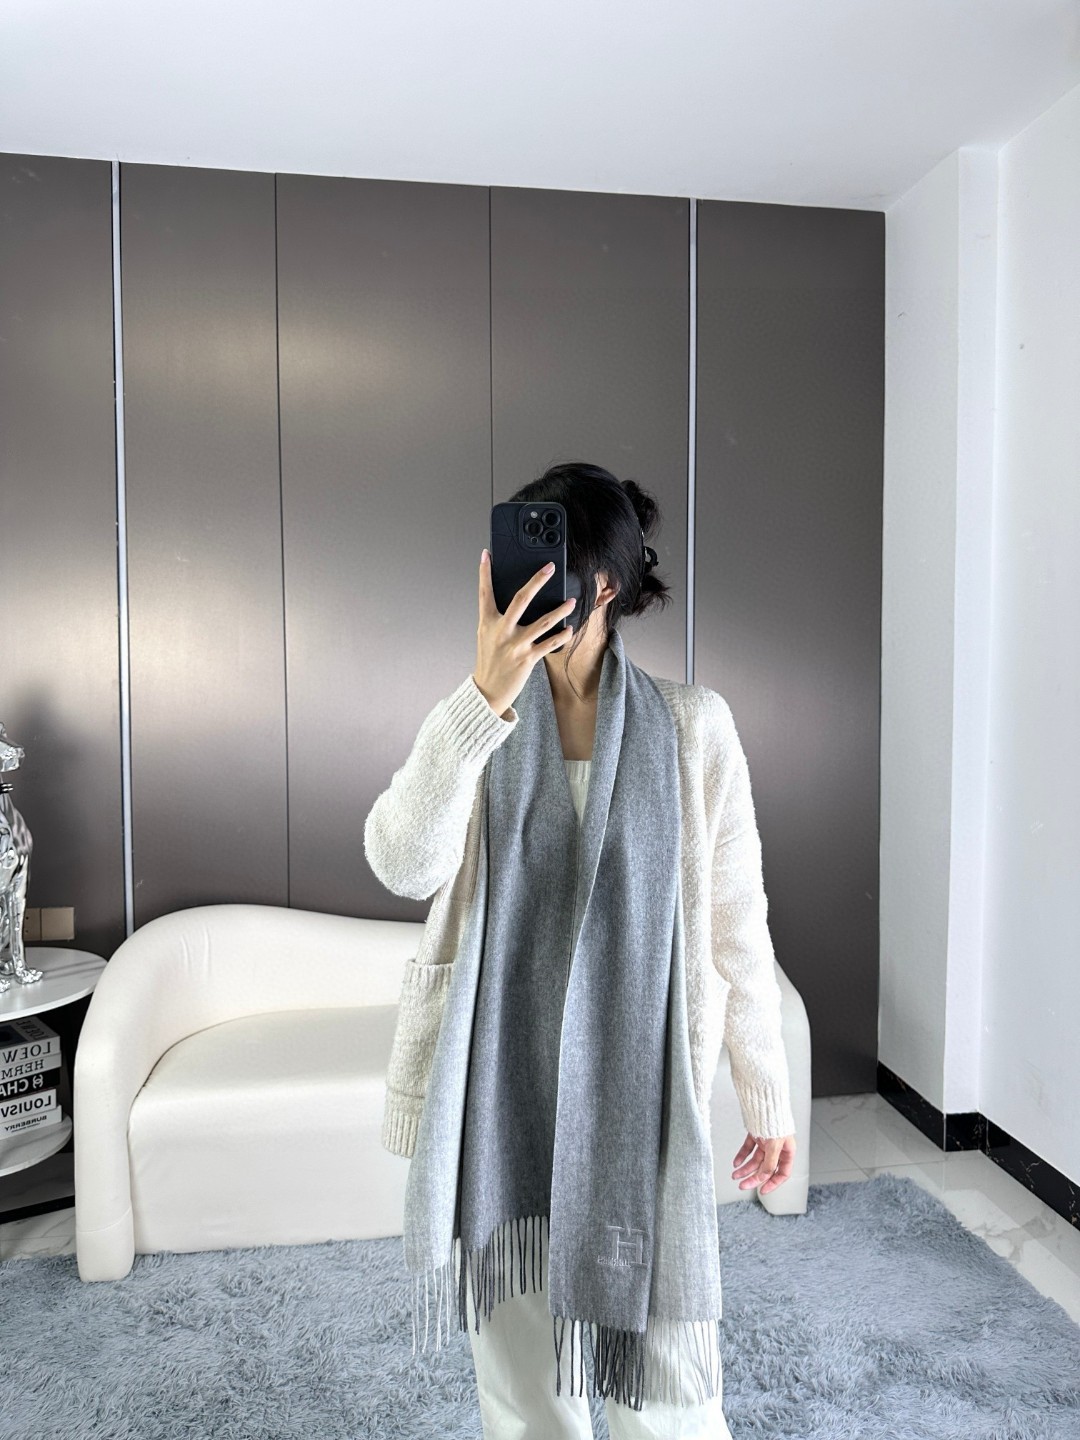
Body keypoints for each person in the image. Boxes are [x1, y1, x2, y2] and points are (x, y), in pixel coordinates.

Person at [366, 462, 797, 1440]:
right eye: (520, 557)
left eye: (554, 561)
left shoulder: (692, 727)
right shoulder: (479, 721)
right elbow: (400, 863)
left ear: (603, 584)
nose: (531, 583)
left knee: (670, 1395)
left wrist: (765, 1094)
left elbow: (737, 924)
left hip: (640, 1096)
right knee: (524, 1394)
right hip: (502, 1089)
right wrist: (482, 698)